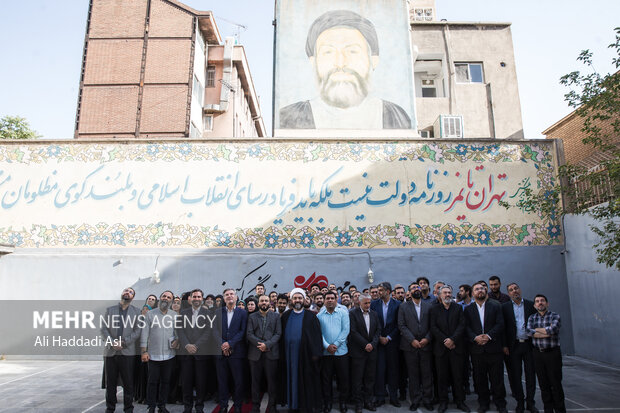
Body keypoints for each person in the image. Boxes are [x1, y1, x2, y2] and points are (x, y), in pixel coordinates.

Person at [279, 10, 411, 130]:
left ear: (374, 60)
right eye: (328, 52)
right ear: (313, 62)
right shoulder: (289, 118)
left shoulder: (395, 116)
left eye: (352, 51)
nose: (340, 63)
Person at [464, 282, 507, 413]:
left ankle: (500, 403)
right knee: (480, 378)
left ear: (485, 291)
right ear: (472, 293)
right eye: (477, 289)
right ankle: (484, 403)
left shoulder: (496, 306)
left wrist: (488, 336)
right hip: (477, 350)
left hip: (493, 348)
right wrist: (475, 338)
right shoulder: (468, 309)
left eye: (482, 288)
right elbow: (466, 327)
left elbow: (500, 324)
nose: (480, 291)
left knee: (497, 378)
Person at [280, 288, 323, 413]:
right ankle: (292, 405)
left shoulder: (311, 316)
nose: (297, 300)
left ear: (304, 300)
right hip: (289, 355)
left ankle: (305, 406)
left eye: (300, 298)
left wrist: (315, 354)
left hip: (305, 356)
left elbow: (316, 336)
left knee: (305, 381)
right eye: (295, 298)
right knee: (291, 380)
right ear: (291, 300)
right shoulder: (286, 316)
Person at [430, 286, 471, 413]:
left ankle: (460, 401)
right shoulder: (434, 309)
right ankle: (443, 402)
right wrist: (445, 341)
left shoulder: (458, 308)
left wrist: (452, 340)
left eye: (449, 293)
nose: (447, 295)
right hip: (441, 349)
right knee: (442, 377)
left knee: (457, 376)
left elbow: (462, 325)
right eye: (445, 293)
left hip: (456, 348)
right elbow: (433, 327)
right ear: (439, 295)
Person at [101, 287, 141, 413]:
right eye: (126, 291)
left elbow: (137, 331)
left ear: (132, 297)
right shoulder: (110, 310)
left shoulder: (137, 312)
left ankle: (128, 409)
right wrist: (112, 342)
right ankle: (110, 408)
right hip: (111, 352)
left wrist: (123, 342)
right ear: (122, 294)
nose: (127, 293)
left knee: (128, 383)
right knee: (110, 383)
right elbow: (103, 329)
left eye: (130, 292)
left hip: (127, 352)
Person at [502, 283, 538, 413]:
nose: (514, 291)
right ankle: (520, 402)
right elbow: (503, 328)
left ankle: (530, 402)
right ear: (508, 293)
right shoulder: (504, 307)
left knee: (530, 375)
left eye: (516, 288)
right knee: (515, 375)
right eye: (511, 290)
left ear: (520, 290)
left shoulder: (530, 305)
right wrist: (504, 345)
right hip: (514, 346)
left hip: (529, 345)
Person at [141, 290, 179, 413]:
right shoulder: (150, 314)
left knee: (166, 382)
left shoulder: (174, 315)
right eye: (164, 296)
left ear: (171, 301)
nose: (166, 298)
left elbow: (178, 333)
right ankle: (151, 407)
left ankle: (162, 406)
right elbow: (144, 334)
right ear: (160, 298)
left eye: (169, 297)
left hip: (169, 355)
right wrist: (144, 351)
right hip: (153, 355)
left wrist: (177, 341)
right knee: (152, 382)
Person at [397, 283, 433, 411]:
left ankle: (428, 399)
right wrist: (412, 340)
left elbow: (432, 325)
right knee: (413, 375)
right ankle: (415, 400)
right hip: (410, 346)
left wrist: (427, 339)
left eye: (417, 288)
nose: (416, 290)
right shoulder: (403, 307)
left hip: (425, 345)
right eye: (413, 288)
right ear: (409, 292)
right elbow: (401, 325)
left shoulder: (429, 306)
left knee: (427, 374)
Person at [527, 295, 565, 413]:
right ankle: (548, 409)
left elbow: (552, 330)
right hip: (538, 354)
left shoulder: (555, 316)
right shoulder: (532, 318)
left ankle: (560, 410)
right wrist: (546, 331)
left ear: (547, 303)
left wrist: (537, 331)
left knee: (555, 383)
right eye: (537, 301)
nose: (540, 303)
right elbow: (529, 331)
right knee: (543, 384)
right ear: (534, 305)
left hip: (552, 353)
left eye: (542, 301)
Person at [176, 289, 212, 413]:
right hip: (186, 353)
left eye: (199, 296)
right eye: (194, 296)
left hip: (201, 353)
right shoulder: (183, 312)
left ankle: (199, 407)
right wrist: (186, 345)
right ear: (190, 298)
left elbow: (208, 332)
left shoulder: (207, 313)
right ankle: (187, 407)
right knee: (187, 382)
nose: (196, 298)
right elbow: (179, 330)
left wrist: (195, 345)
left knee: (201, 382)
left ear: (202, 299)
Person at [247, 294, 282, 413]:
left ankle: (272, 406)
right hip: (255, 354)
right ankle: (255, 406)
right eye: (262, 301)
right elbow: (249, 334)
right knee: (255, 382)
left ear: (270, 303)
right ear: (258, 303)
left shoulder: (276, 316)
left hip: (271, 353)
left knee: (272, 381)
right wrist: (261, 344)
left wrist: (267, 345)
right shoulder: (252, 317)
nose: (264, 302)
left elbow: (278, 333)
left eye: (266, 301)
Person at [215, 288, 248, 413]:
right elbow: (214, 331)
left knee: (238, 381)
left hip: (237, 352)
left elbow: (242, 331)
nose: (229, 296)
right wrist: (223, 344)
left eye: (231, 294)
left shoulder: (243, 313)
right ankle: (223, 406)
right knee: (222, 381)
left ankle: (238, 406)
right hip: (220, 352)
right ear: (224, 298)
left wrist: (230, 344)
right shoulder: (217, 312)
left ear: (236, 297)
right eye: (227, 295)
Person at [317, 291, 351, 413]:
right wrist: (327, 346)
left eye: (332, 298)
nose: (330, 300)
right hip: (326, 353)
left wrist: (335, 345)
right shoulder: (319, 316)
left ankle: (342, 403)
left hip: (341, 352)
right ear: (325, 301)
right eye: (328, 298)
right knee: (326, 380)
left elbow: (345, 330)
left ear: (337, 300)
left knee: (343, 379)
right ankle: (328, 403)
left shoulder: (343, 313)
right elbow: (318, 333)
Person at [370, 282, 401, 407]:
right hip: (379, 343)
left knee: (393, 371)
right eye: (378, 290)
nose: (378, 292)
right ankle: (380, 397)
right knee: (380, 371)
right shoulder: (374, 304)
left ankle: (393, 397)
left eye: (381, 290)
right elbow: (373, 324)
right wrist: (380, 338)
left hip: (392, 343)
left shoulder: (398, 305)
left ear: (388, 291)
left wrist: (388, 337)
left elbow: (399, 324)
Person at [348, 294, 380, 413]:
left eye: (369, 303)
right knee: (357, 379)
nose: (368, 305)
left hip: (372, 351)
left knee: (370, 378)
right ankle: (358, 403)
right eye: (365, 303)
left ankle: (368, 401)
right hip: (358, 352)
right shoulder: (352, 314)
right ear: (360, 303)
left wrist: (373, 343)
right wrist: (365, 344)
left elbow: (378, 330)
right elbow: (353, 331)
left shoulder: (374, 314)